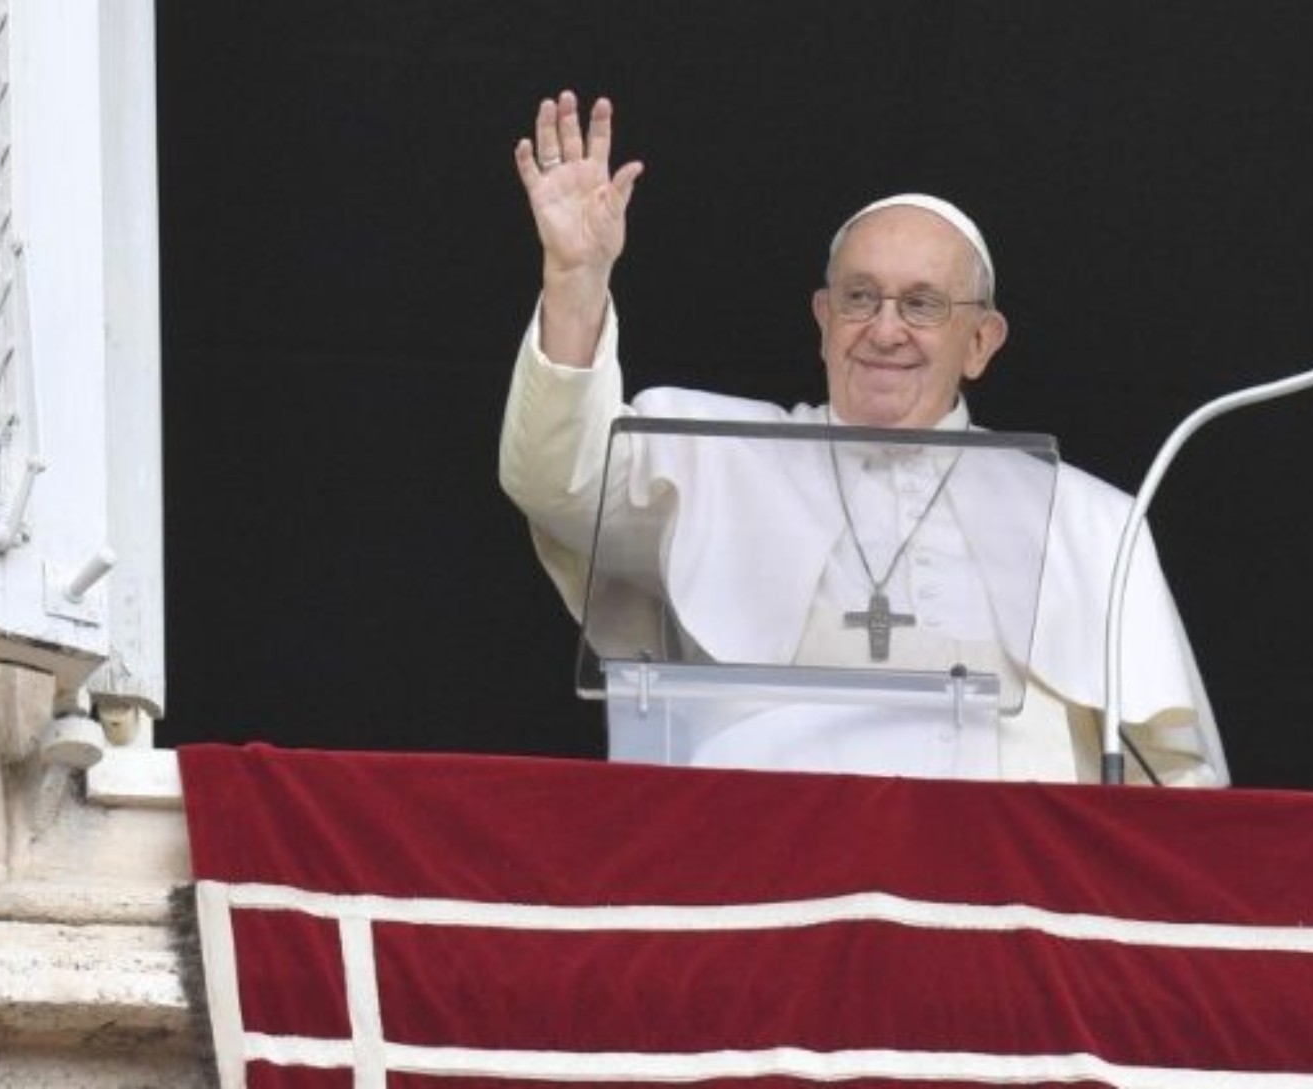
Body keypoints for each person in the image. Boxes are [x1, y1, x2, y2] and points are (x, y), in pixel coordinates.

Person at [500, 91, 1227, 786]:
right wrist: (576, 281)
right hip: (763, 876)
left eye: (922, 304)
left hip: (998, 891)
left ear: (980, 341)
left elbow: (1174, 778)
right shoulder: (707, 456)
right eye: (859, 298)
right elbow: (556, 480)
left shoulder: (1090, 521)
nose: (885, 330)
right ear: (822, 321)